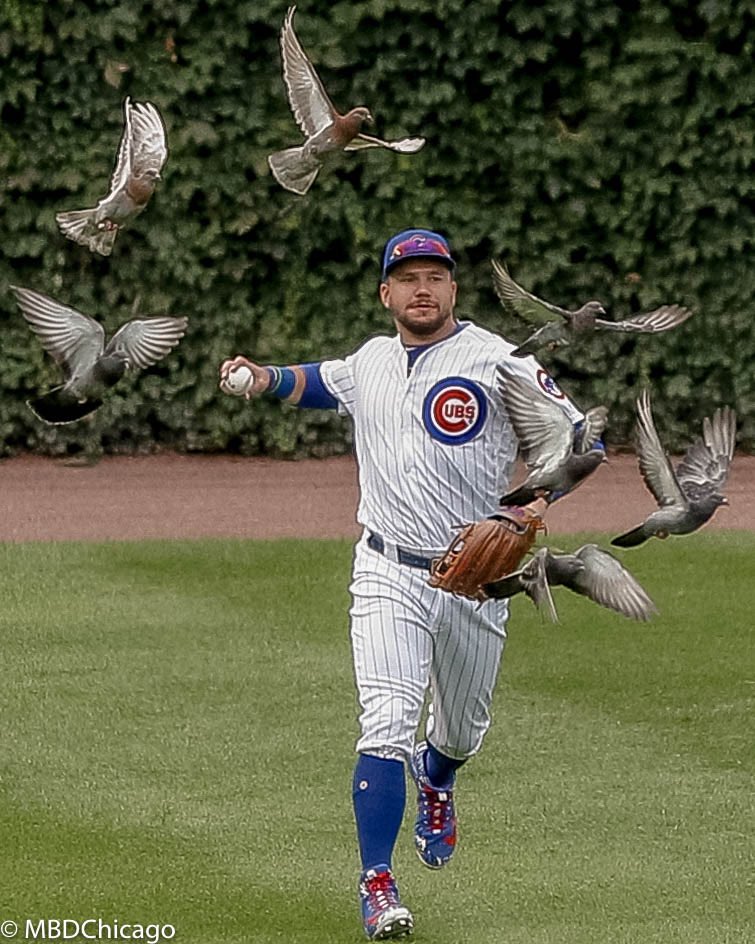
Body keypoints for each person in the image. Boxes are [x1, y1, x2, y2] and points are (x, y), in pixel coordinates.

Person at [219, 228, 586, 941]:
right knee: (384, 722)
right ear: (385, 292)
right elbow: (322, 382)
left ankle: (439, 779)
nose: (422, 288)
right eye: (407, 277)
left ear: (453, 290)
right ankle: (377, 884)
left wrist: (534, 505)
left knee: (461, 732)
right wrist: (263, 377)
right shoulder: (372, 361)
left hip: (477, 581)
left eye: (435, 277)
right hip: (385, 569)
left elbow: (579, 442)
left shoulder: (498, 361)